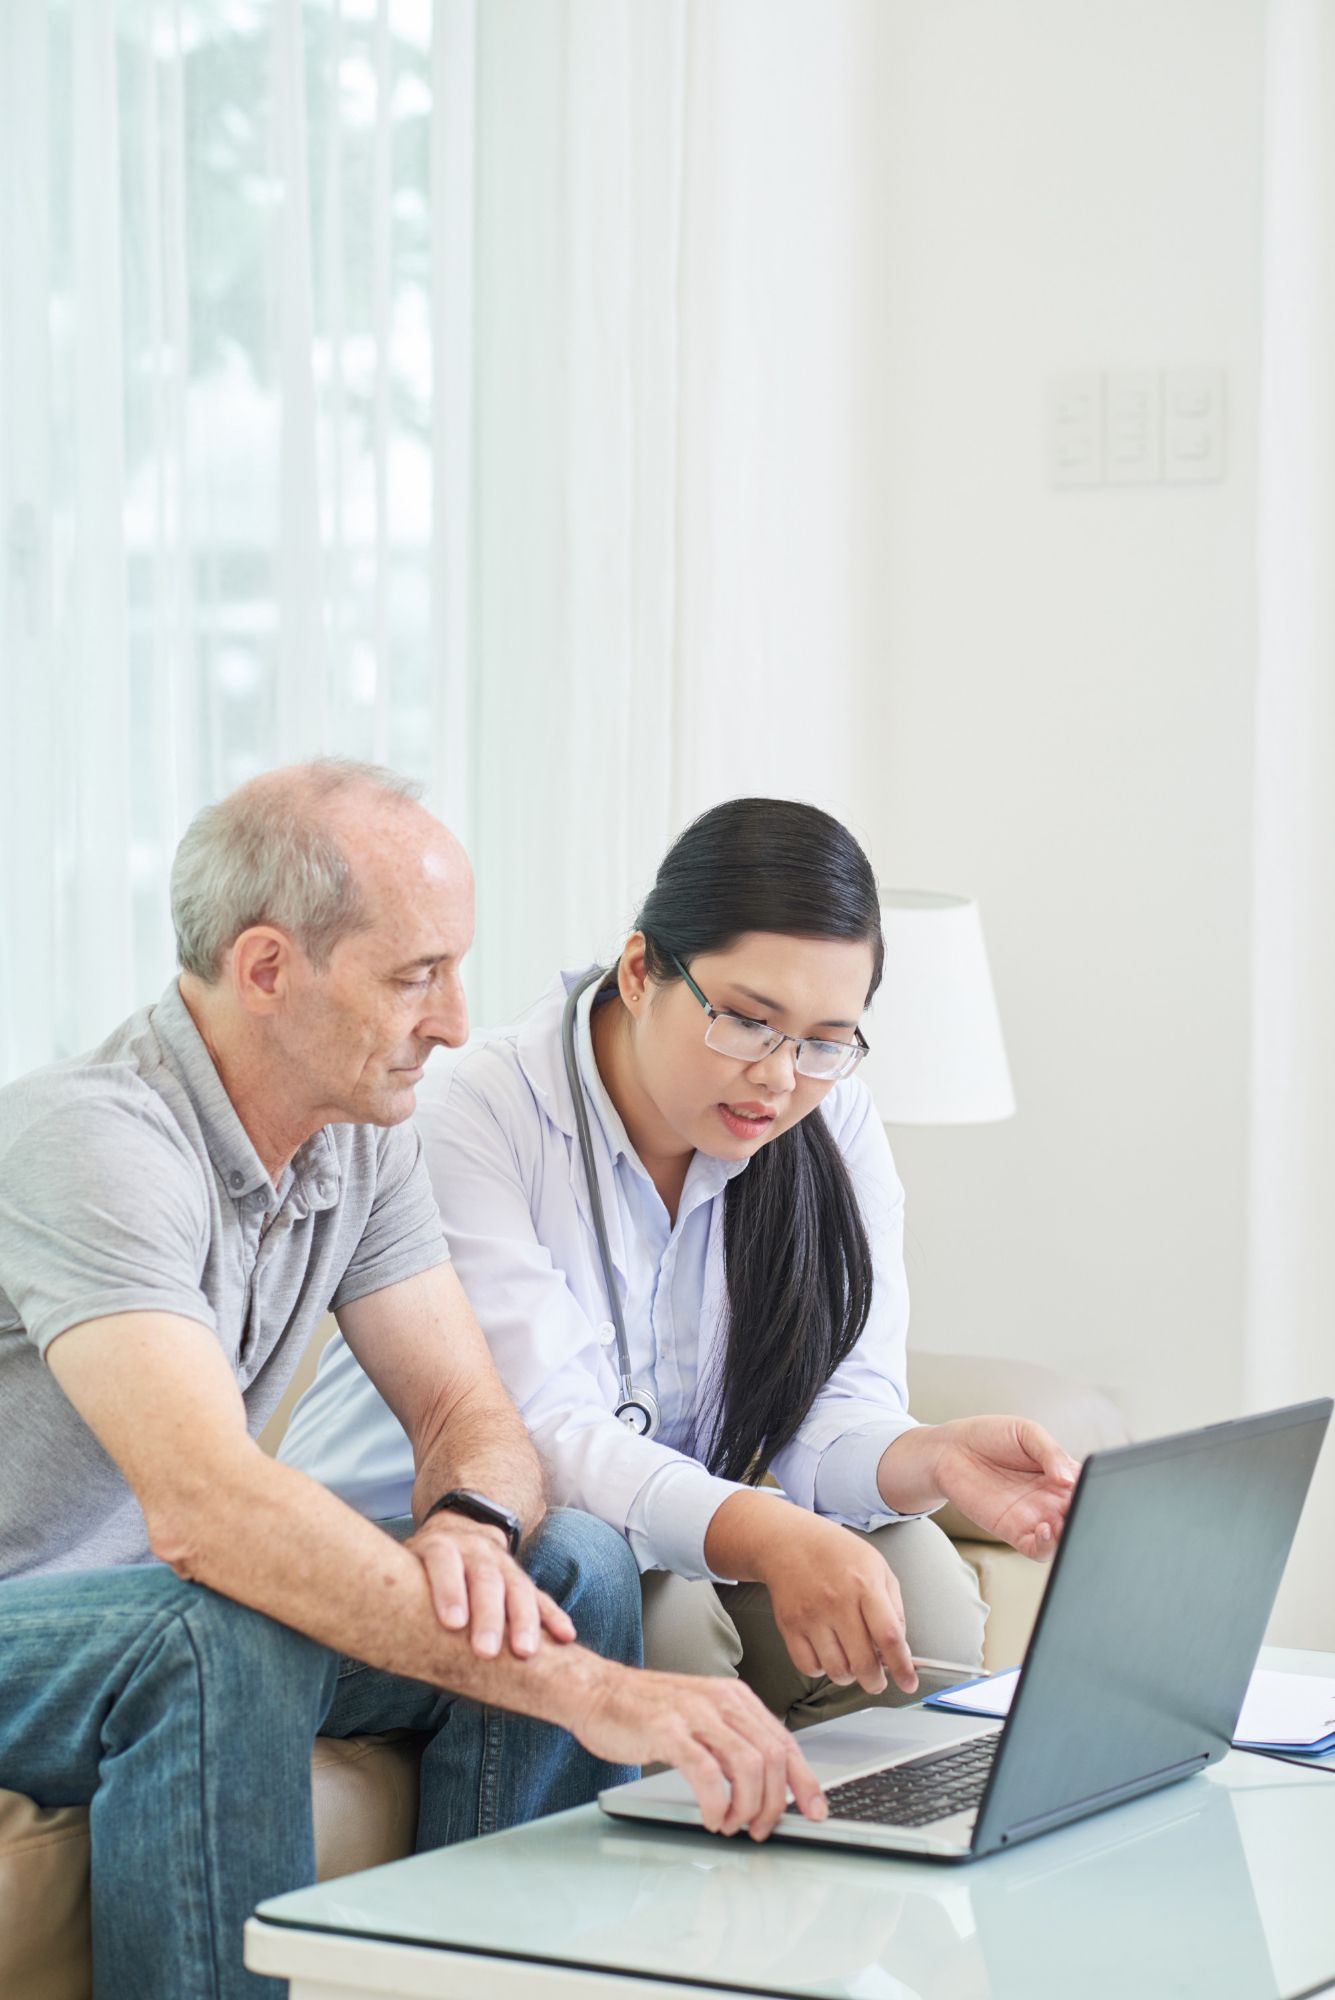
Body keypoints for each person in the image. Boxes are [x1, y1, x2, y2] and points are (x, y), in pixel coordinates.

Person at [0, 765, 826, 2000]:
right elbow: (207, 1510)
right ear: (267, 966)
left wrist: (472, 1528)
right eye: (413, 976)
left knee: (573, 1561)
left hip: (151, 1603)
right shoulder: (97, 1142)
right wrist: (590, 1691)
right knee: (213, 1627)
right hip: (44, 1616)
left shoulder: (361, 1136)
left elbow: (466, 1414)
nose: (453, 1020)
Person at [283, 797, 1080, 1727]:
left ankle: (889, 1861)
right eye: (747, 1021)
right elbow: (548, 1442)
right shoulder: (474, 1114)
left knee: (918, 1578)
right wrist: (769, 1531)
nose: (781, 1077)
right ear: (638, 972)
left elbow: (832, 1415)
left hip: (644, 1529)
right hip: (444, 1537)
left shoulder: (831, 1117)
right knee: (660, 1610)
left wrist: (932, 1457)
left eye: (825, 1041)